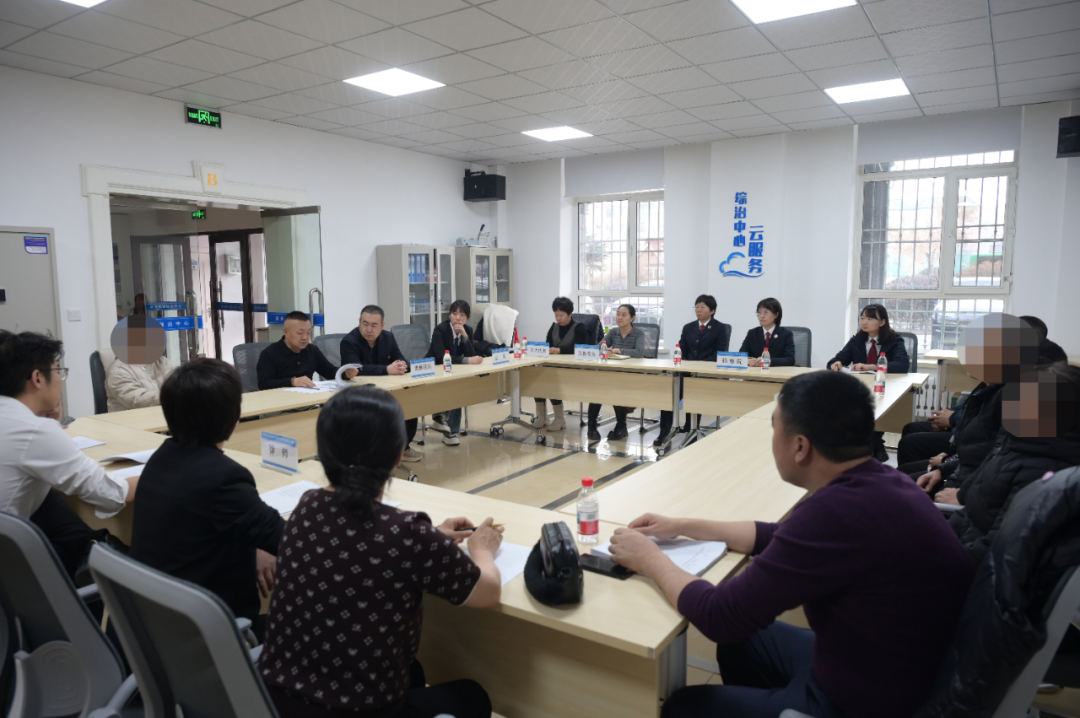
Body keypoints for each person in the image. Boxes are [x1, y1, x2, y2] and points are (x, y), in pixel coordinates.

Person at [607, 371, 973, 718]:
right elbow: (779, 537)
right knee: (744, 641)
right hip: (886, 664)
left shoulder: (836, 512)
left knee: (683, 708)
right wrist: (683, 525)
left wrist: (650, 558)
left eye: (774, 430)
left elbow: (720, 616)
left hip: (866, 701)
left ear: (800, 447)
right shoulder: (881, 481)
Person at [258, 385, 503, 718]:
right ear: (398, 456)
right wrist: (481, 549)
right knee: (472, 696)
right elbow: (487, 592)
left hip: (277, 703)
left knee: (415, 672)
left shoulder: (307, 505)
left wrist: (431, 538)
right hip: (361, 709)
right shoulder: (408, 533)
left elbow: (359, 544)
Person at [130, 358, 285, 630]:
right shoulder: (224, 477)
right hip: (212, 633)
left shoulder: (162, 457)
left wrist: (253, 544)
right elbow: (290, 540)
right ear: (233, 415)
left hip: (155, 625)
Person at [0, 331, 137, 578]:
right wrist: (161, 472)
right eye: (58, 371)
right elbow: (110, 494)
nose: (61, 379)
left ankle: (91, 551)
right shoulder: (34, 431)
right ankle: (96, 560)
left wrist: (49, 423)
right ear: (38, 378)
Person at [940, 364, 1080, 567]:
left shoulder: (1042, 472)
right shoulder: (1015, 446)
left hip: (968, 569)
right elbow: (971, 511)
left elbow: (995, 552)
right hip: (959, 544)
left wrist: (936, 555)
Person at [828, 303, 910, 461]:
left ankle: (874, 447)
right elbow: (837, 359)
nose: (864, 322)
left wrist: (873, 366)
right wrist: (836, 363)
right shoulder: (857, 340)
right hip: (861, 390)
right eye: (862, 318)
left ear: (882, 322)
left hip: (885, 389)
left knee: (868, 416)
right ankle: (876, 447)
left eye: (870, 319)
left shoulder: (894, 340)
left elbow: (902, 365)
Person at [340, 305, 422, 462]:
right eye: (365, 324)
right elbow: (356, 368)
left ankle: (402, 448)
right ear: (359, 321)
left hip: (387, 389)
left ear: (382, 326)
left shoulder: (388, 338)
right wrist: (387, 369)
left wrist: (401, 365)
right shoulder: (349, 342)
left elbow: (400, 358)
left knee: (408, 401)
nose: (369, 329)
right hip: (361, 393)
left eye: (374, 325)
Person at [655, 295, 729, 446]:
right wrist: (684, 364)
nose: (698, 310)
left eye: (702, 307)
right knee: (669, 393)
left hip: (706, 373)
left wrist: (699, 366)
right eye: (697, 307)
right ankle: (664, 432)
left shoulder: (720, 328)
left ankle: (691, 429)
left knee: (694, 391)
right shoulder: (688, 327)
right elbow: (681, 349)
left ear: (712, 311)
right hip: (686, 371)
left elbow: (720, 353)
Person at [428, 299, 485, 446]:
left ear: (467, 318)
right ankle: (441, 419)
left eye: (462, 315)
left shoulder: (468, 330)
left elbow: (471, 355)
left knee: (458, 386)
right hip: (435, 369)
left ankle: (449, 429)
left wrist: (465, 337)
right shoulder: (441, 330)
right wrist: (467, 360)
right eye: (454, 313)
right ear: (450, 315)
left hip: (454, 371)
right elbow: (441, 357)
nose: (458, 318)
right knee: (454, 386)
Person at [587, 304, 645, 443]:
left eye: (624, 315)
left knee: (617, 387)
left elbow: (639, 353)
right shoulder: (613, 332)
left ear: (632, 318)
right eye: (618, 314)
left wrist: (619, 351)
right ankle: (591, 425)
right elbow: (599, 347)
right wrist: (604, 350)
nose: (620, 317)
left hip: (630, 374)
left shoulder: (638, 334)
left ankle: (621, 425)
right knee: (598, 389)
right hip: (612, 372)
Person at [257, 311, 356, 390]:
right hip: (280, 403)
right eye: (300, 333)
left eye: (308, 333)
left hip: (307, 401)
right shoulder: (270, 354)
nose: (305, 337)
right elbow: (264, 384)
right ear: (286, 332)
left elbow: (329, 371)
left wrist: (345, 373)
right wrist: (291, 382)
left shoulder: (312, 350)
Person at [532, 296, 589, 432]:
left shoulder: (579, 328)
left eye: (561, 315)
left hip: (572, 368)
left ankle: (559, 418)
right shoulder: (554, 327)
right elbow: (547, 345)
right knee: (536, 378)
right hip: (553, 365)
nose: (558, 318)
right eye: (556, 315)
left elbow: (580, 348)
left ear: (570, 314)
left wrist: (558, 350)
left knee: (551, 380)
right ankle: (542, 416)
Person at [105, 351, 176, 411]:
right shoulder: (118, 371)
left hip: (162, 417)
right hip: (131, 421)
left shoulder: (163, 362)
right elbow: (139, 400)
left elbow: (179, 383)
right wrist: (174, 396)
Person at [738, 297, 796, 368]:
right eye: (759, 312)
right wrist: (748, 360)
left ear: (776, 314)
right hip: (755, 372)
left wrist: (767, 361)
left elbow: (790, 359)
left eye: (766, 312)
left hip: (776, 372)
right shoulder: (752, 333)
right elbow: (741, 355)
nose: (762, 316)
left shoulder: (786, 334)